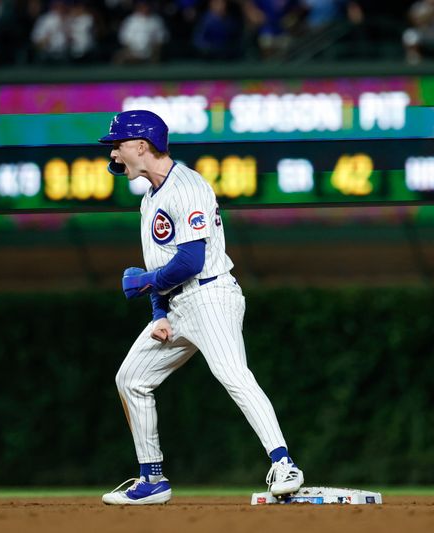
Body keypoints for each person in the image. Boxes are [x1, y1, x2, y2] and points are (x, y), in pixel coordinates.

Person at [98, 110, 304, 505]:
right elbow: (162, 265)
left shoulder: (187, 186)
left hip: (210, 295)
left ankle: (284, 464)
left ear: (142, 146)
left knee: (232, 373)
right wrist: (157, 313)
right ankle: (152, 478)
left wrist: (144, 283)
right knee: (131, 379)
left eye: (118, 144)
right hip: (177, 305)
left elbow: (190, 261)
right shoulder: (150, 198)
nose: (114, 154)